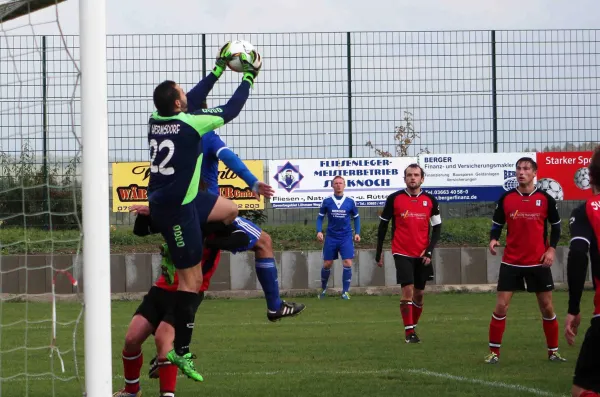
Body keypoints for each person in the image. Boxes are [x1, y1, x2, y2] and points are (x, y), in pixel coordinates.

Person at [147, 45, 263, 381]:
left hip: (179, 200)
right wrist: (249, 78)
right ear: (180, 104)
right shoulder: (192, 125)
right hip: (175, 211)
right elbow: (230, 110)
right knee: (192, 281)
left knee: (230, 208)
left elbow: (192, 99)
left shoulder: (157, 119)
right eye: (183, 91)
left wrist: (216, 70)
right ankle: (182, 350)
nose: (187, 92)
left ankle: (219, 238)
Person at [485, 157, 565, 364]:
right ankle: (494, 354)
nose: (521, 172)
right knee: (501, 306)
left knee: (547, 307)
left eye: (526, 169)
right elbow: (497, 224)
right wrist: (494, 239)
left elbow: (556, 227)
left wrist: (551, 250)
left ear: (534, 173)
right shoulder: (506, 198)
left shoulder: (546, 199)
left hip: (538, 262)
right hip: (511, 261)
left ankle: (553, 352)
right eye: (518, 169)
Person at [375, 164, 441, 343]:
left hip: (422, 254)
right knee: (408, 289)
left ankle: (412, 327)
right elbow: (383, 226)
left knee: (419, 294)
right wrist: (379, 251)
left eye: (416, 175)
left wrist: (429, 250)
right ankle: (409, 333)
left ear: (422, 179)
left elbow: (437, 228)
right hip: (401, 251)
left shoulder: (430, 200)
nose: (413, 178)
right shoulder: (394, 199)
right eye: (409, 175)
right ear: (404, 179)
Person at [564, 146, 600, 397]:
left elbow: (578, 254)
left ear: (591, 175)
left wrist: (574, 308)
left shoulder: (587, 210)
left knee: (583, 389)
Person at [316, 176, 361, 299]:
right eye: (336, 183)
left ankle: (345, 292)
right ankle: (323, 289)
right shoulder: (327, 201)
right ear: (332, 185)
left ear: (344, 185)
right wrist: (319, 231)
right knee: (327, 264)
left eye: (340, 183)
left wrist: (357, 233)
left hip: (345, 237)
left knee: (347, 262)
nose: (338, 185)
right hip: (331, 237)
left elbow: (356, 217)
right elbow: (320, 217)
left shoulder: (350, 201)